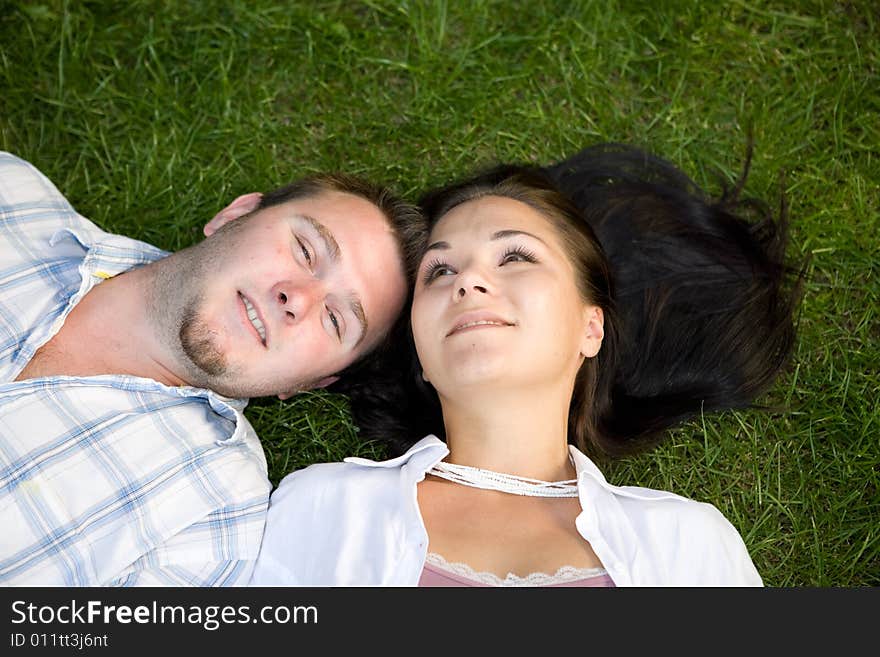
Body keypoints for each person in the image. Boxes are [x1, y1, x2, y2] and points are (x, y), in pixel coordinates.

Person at [250, 143, 802, 586]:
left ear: (592, 327)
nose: (467, 281)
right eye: (439, 272)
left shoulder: (687, 545)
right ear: (417, 346)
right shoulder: (325, 508)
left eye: (515, 257)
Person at [0, 150, 424, 585]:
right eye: (305, 250)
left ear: (315, 382)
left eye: (335, 320)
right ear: (233, 215)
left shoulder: (213, 527)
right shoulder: (10, 191)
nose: (297, 299)